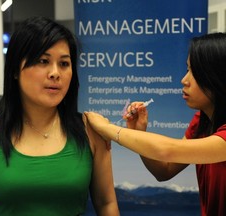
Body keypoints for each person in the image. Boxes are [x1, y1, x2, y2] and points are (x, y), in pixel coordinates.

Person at [0, 16, 119, 216]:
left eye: (64, 64)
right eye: (43, 61)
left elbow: (106, 204)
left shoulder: (90, 131)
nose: (55, 73)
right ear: (16, 69)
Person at [85, 32, 226, 216]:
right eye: (187, 69)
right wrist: (140, 131)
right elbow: (164, 170)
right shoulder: (202, 121)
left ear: (217, 77)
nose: (184, 80)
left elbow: (167, 150)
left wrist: (107, 128)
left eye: (195, 72)